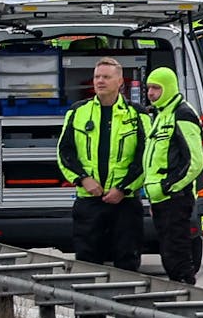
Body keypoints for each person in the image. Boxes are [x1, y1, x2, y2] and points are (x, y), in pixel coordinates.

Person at [56, 56, 146, 271]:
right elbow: (64, 152)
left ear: (119, 82)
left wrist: (123, 189)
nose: (100, 81)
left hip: (124, 202)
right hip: (89, 201)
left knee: (127, 262)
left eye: (106, 77)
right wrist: (83, 179)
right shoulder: (78, 112)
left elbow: (145, 157)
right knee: (87, 262)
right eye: (97, 76)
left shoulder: (137, 114)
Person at [142, 67, 203, 284]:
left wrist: (169, 187)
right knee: (170, 256)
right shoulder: (161, 114)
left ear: (168, 87)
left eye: (156, 88)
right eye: (149, 87)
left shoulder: (182, 113)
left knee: (178, 257)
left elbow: (195, 161)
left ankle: (186, 303)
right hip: (161, 198)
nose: (151, 93)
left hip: (175, 198)